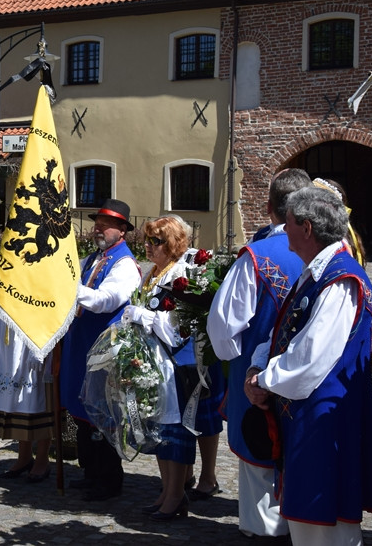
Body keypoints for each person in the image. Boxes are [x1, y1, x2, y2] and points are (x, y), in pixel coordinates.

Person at [245, 186, 372, 545]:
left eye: (289, 224)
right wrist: (257, 366)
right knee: (308, 521)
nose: (284, 232)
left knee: (322, 523)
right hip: (305, 413)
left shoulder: (339, 278)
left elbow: (310, 358)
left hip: (323, 418)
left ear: (308, 228)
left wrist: (263, 381)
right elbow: (285, 328)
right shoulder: (316, 271)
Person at [207, 167, 311, 540]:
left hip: (258, 378)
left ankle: (264, 532)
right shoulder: (331, 252)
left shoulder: (256, 257)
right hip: (308, 379)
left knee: (260, 463)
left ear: (269, 207)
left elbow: (223, 328)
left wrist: (235, 362)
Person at [60, 198, 141, 501]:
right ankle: (90, 471)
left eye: (106, 224)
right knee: (82, 411)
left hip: (104, 348)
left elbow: (106, 299)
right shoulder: (96, 258)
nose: (98, 228)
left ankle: (108, 479)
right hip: (83, 345)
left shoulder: (124, 264)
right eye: (98, 222)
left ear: (122, 230)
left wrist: (69, 288)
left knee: (103, 413)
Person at [121, 215, 198, 520]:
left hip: (174, 364)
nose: (149, 247)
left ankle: (177, 494)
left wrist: (143, 316)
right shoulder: (152, 273)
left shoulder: (182, 275)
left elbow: (179, 329)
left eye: (156, 241)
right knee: (157, 429)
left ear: (172, 244)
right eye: (147, 240)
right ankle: (166, 490)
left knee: (173, 430)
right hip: (151, 362)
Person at [0, 307, 54, 483]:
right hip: (8, 340)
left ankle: (42, 459)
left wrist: (41, 345)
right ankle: (24, 457)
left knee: (37, 398)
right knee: (15, 401)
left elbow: (52, 305)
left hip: (35, 338)